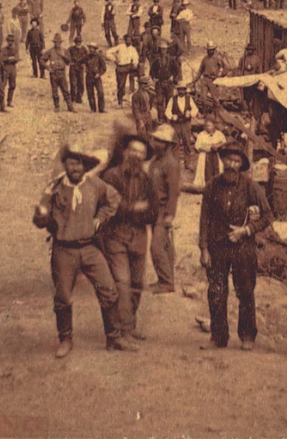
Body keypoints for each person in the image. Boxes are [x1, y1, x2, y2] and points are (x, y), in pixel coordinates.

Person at [33, 146, 132, 358]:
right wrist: (43, 206)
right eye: (71, 163)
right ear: (65, 166)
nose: (75, 168)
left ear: (84, 166)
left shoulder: (94, 184)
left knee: (109, 289)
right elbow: (39, 220)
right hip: (64, 250)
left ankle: (113, 337)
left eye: (78, 164)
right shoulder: (55, 189)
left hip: (89, 248)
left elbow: (113, 200)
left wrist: (100, 217)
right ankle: (65, 339)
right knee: (63, 297)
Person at [198, 145, 273, 350]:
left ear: (241, 165)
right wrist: (204, 248)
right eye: (228, 160)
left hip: (243, 247)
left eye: (236, 161)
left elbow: (268, 215)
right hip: (218, 246)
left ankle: (247, 335)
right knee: (216, 291)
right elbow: (204, 218)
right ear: (222, 161)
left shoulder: (250, 186)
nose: (232, 164)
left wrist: (247, 230)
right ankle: (218, 336)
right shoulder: (212, 185)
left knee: (246, 290)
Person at [101, 132, 157, 344]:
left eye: (141, 152)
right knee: (122, 283)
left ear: (144, 157)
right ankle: (120, 331)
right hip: (116, 236)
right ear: (125, 152)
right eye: (133, 150)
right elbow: (110, 207)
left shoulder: (147, 181)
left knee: (136, 284)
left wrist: (132, 209)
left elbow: (153, 212)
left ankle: (129, 324)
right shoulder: (112, 176)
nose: (136, 155)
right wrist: (133, 207)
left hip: (140, 237)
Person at [147, 125, 182, 295]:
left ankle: (167, 282)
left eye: (161, 141)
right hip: (154, 210)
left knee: (156, 247)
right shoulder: (155, 161)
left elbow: (174, 192)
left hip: (163, 211)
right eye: (156, 140)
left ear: (167, 144)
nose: (156, 143)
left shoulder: (171, 164)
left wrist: (170, 215)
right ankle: (166, 279)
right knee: (166, 246)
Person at [191, 120, 227, 191]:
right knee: (207, 171)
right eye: (207, 126)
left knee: (217, 170)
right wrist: (206, 149)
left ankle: (218, 185)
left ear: (214, 126)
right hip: (205, 155)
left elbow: (224, 142)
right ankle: (208, 186)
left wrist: (217, 146)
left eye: (210, 125)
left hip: (216, 155)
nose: (209, 127)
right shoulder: (201, 134)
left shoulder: (219, 134)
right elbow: (197, 146)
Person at [45, 34, 75, 112]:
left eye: (59, 42)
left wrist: (63, 56)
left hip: (62, 73)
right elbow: (42, 59)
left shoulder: (65, 51)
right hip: (53, 74)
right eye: (56, 42)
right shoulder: (50, 51)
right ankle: (57, 107)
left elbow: (69, 61)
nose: (57, 43)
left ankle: (70, 107)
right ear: (54, 42)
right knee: (54, 91)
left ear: (61, 42)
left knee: (66, 91)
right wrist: (48, 68)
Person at [109, 35, 139, 99]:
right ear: (125, 40)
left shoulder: (132, 49)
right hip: (120, 67)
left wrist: (134, 63)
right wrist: (114, 59)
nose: (129, 41)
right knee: (120, 84)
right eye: (127, 40)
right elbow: (108, 52)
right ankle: (120, 98)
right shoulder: (120, 47)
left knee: (131, 78)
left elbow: (136, 58)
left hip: (128, 67)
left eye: (130, 40)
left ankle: (130, 94)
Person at [84, 42, 108, 113]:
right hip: (89, 77)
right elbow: (80, 62)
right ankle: (92, 109)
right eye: (90, 48)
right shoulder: (87, 56)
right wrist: (85, 68)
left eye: (92, 48)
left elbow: (104, 68)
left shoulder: (99, 56)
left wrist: (99, 74)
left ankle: (101, 109)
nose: (91, 49)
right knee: (90, 94)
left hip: (97, 77)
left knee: (100, 92)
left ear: (95, 49)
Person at [67, 36, 88, 113]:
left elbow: (88, 56)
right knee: (73, 83)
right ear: (75, 43)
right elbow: (66, 55)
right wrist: (69, 61)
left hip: (81, 67)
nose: (78, 44)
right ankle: (73, 98)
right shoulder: (71, 48)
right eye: (77, 42)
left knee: (81, 83)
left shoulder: (84, 49)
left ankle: (79, 98)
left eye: (79, 42)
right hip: (73, 67)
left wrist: (85, 64)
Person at [1, 33, 21, 108]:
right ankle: (1, 102)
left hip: (13, 68)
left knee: (12, 85)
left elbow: (16, 59)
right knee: (2, 85)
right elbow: (2, 59)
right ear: (7, 41)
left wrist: (8, 59)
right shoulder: (3, 49)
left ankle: (9, 101)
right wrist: (9, 58)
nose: (10, 42)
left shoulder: (15, 50)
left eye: (12, 41)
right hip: (5, 68)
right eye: (9, 41)